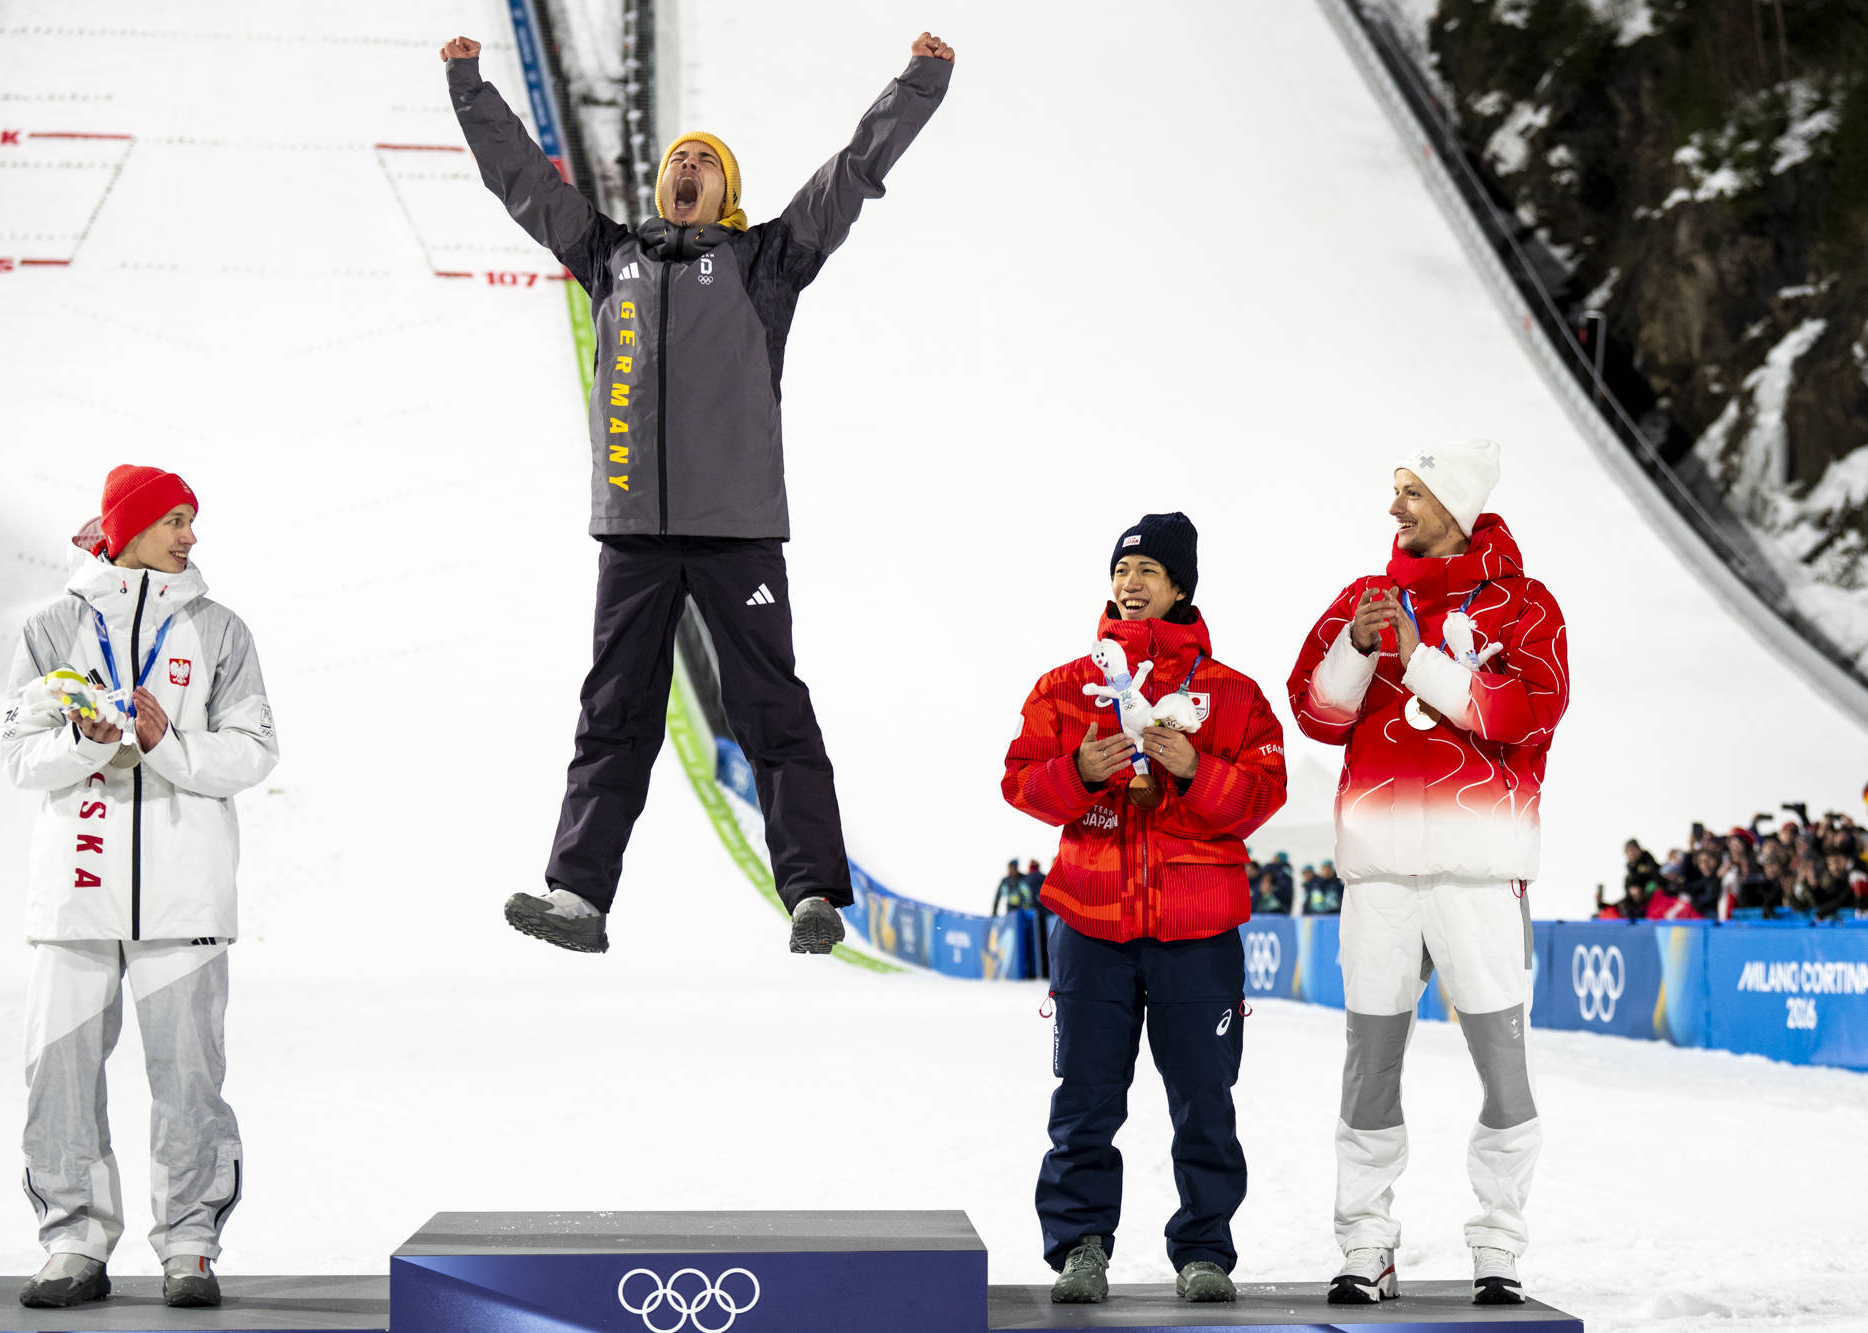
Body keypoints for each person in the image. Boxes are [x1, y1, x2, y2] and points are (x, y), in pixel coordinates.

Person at [440, 31, 955, 955]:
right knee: (613, 714)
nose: (686, 169)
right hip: (634, 534)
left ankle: (811, 892)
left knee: (771, 709)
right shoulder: (608, 257)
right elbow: (522, 181)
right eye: (678, 161)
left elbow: (852, 174)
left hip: (737, 532)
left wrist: (918, 82)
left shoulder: (767, 263)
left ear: (728, 193)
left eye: (704, 164)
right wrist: (469, 86)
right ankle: (578, 898)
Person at [1286, 440, 1567, 1307]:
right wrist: (1356, 647)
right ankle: (1365, 1242)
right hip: (1380, 878)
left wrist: (1416, 658)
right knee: (1368, 1069)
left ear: (1455, 504)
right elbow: (1314, 712)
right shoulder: (1363, 598)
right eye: (1396, 490)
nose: (1395, 507)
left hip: (1478, 874)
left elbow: (1527, 712)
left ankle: (1500, 1243)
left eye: (1411, 492)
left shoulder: (1526, 605)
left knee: (1503, 1071)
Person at [0, 466, 278, 1310]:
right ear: (127, 529)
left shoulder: (219, 629)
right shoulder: (52, 627)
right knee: (59, 1076)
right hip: (75, 894)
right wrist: (88, 741)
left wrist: (165, 744)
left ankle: (189, 1245)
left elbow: (255, 749)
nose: (191, 536)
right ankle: (73, 1244)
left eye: (191, 520)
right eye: (174, 521)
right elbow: (20, 757)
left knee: (190, 1082)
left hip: (185, 897)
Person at [1002, 513, 1287, 1307]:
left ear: (1181, 586)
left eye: (1148, 572)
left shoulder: (1233, 694)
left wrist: (1196, 767)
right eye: (1122, 570)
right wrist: (1077, 770)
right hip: (1090, 923)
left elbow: (1263, 795)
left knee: (1205, 1101)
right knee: (1084, 1098)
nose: (1130, 583)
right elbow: (1020, 780)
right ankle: (1081, 1245)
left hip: (1200, 929)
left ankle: (1204, 1250)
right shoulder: (1064, 686)